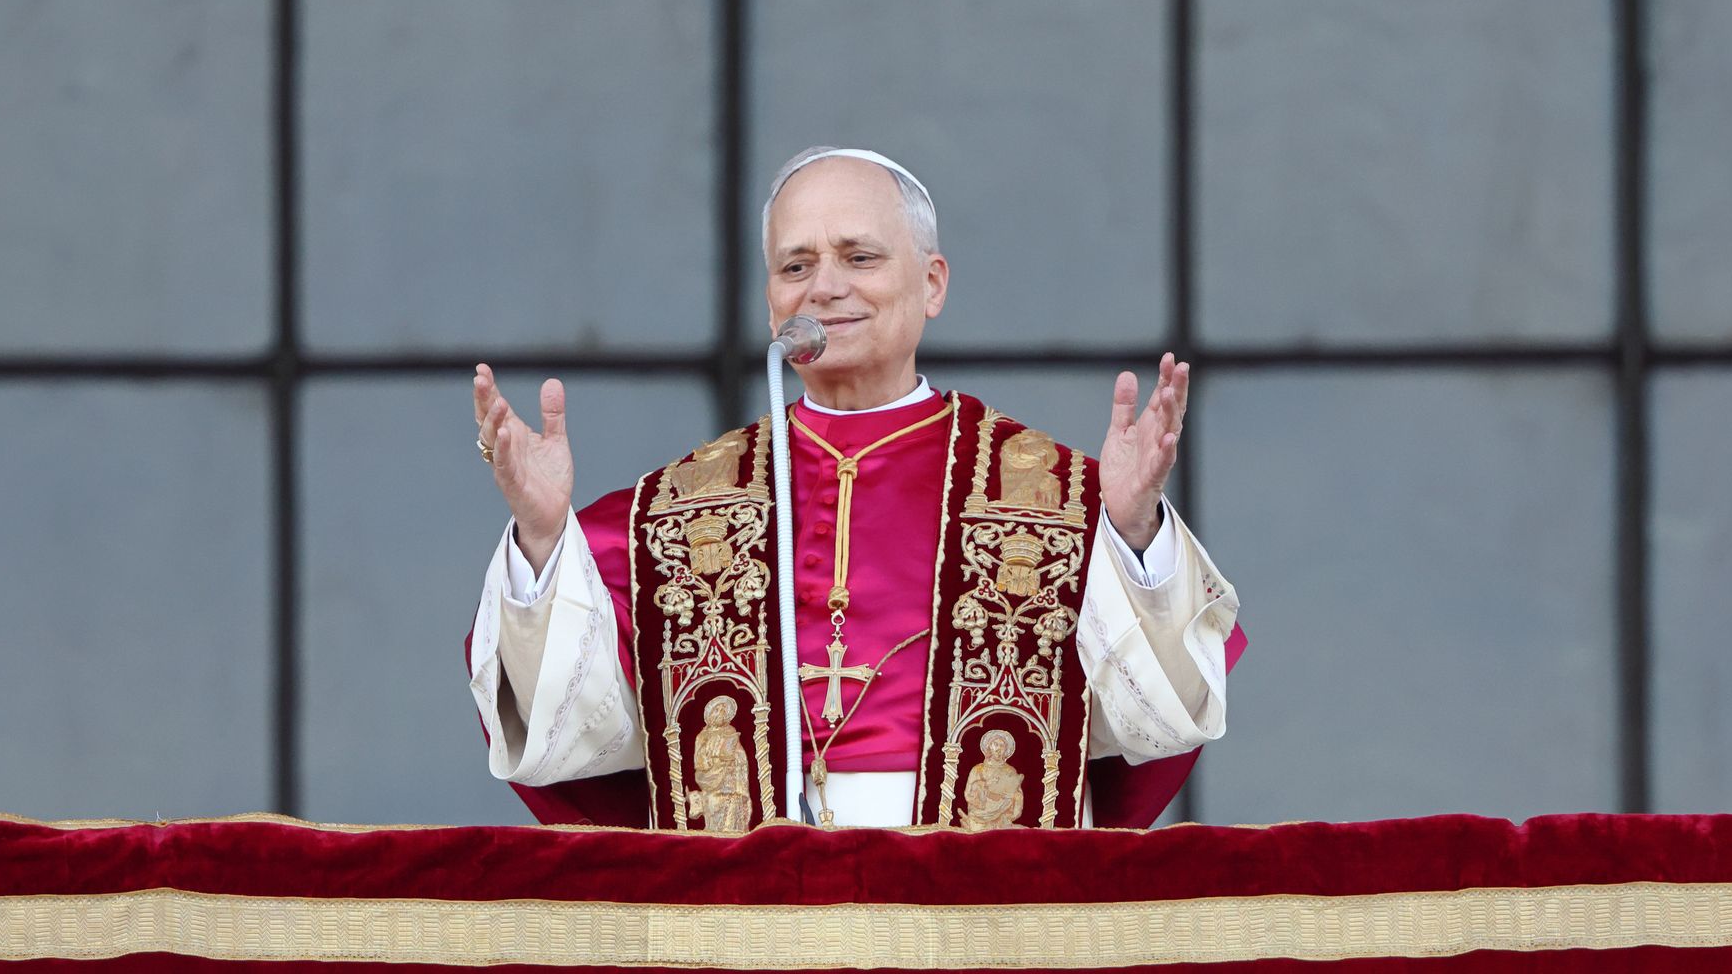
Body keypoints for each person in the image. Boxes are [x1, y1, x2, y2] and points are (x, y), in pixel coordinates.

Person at [466, 146, 1243, 830]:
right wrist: (541, 538)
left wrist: (1135, 532)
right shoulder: (672, 515)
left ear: (932, 284)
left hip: (982, 928)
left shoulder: (1057, 501)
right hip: (749, 928)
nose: (823, 288)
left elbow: (1162, 722)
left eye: (859, 258)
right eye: (795, 266)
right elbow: (563, 737)